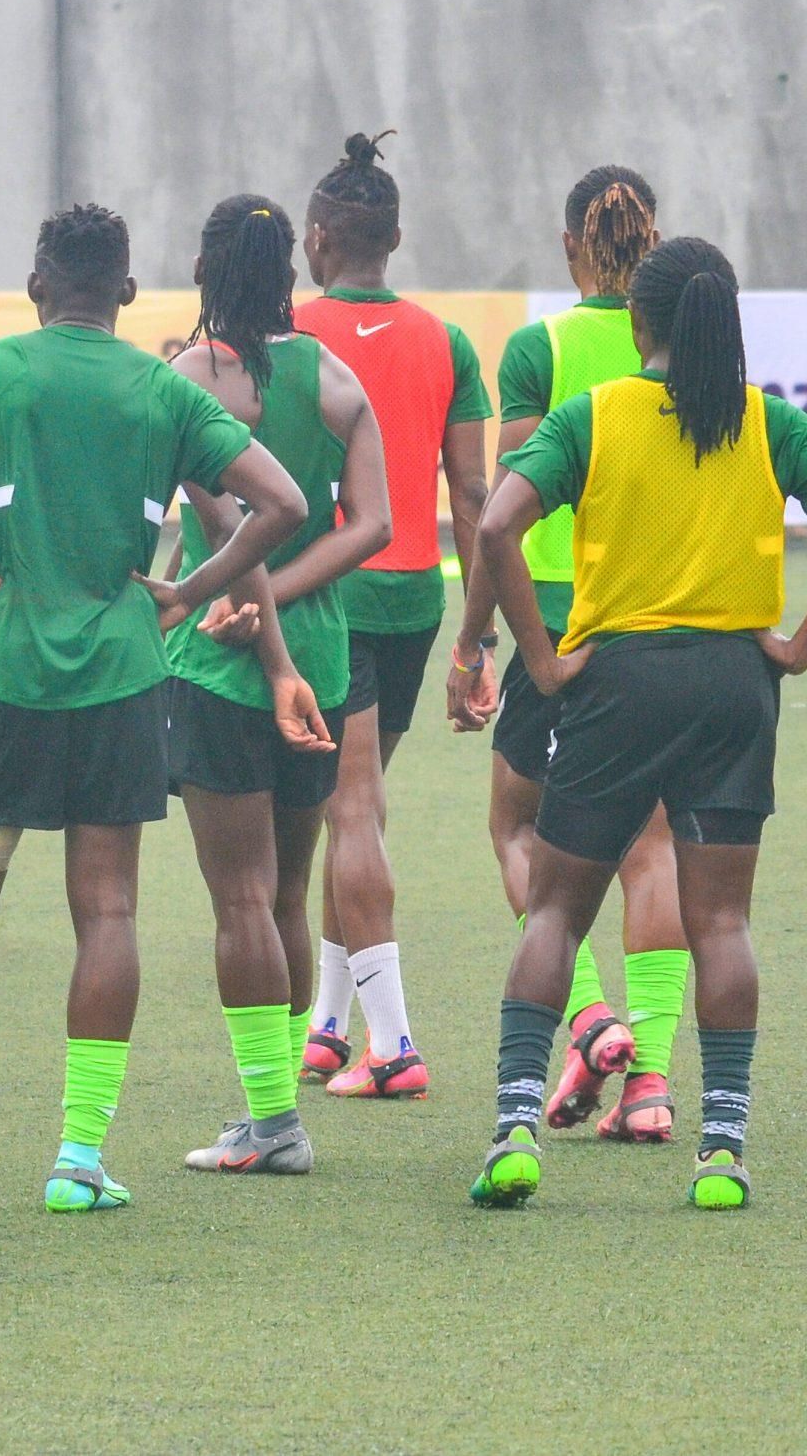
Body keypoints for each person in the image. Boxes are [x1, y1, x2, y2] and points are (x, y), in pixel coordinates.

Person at [0, 203, 312, 1217]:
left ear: (38, 284)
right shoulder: (157, 384)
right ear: (127, 292)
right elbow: (283, 503)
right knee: (107, 910)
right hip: (123, 680)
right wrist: (185, 591)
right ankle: (78, 1160)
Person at [460, 237, 807, 1211]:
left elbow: (492, 526)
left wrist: (540, 655)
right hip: (733, 679)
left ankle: (516, 1126)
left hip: (618, 679)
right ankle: (721, 1150)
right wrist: (800, 644)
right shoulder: (765, 420)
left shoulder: (593, 416)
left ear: (636, 323)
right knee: (720, 916)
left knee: (559, 906)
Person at [449, 167, 688, 1142]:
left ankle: (588, 1020)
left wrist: (471, 638)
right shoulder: (685, 347)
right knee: (652, 849)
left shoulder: (537, 349)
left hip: (556, 624)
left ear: (567, 247)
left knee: (519, 834)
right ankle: (654, 1087)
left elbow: (502, 513)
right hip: (661, 623)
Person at [163, 196, 389, 1173]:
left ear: (207, 270)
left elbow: (225, 523)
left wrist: (256, 620)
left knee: (240, 900)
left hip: (219, 656)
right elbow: (371, 523)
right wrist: (293, 605)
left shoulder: (189, 378)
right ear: (291, 268)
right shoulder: (334, 379)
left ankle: (271, 1123)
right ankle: (273, 1109)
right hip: (326, 659)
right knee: (287, 892)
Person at [292, 133, 491, 1096]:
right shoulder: (448, 341)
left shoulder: (288, 332)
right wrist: (476, 634)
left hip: (327, 593)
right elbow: (478, 502)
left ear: (318, 237)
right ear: (398, 237)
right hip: (417, 597)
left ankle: (395, 1045)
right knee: (356, 805)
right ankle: (330, 1025)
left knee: (352, 807)